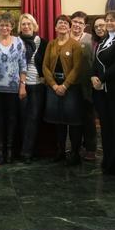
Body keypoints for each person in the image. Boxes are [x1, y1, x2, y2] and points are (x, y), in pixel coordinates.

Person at [0, 13, 27, 164]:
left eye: (7, 25)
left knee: (12, 120)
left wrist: (22, 85)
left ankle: (9, 151)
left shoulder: (19, 42)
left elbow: (23, 65)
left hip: (14, 89)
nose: (4, 28)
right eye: (1, 25)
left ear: (12, 26)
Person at [91, 10, 115, 176]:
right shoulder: (103, 40)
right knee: (106, 128)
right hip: (102, 92)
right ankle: (107, 162)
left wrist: (101, 79)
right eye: (107, 20)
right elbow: (96, 62)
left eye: (113, 20)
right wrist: (93, 76)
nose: (109, 23)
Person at [43, 15, 84, 166]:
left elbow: (77, 68)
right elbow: (45, 66)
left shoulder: (75, 45)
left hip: (71, 87)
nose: (63, 25)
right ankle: (60, 151)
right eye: (60, 23)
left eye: (66, 23)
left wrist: (65, 85)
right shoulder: (51, 44)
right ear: (55, 27)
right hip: (54, 86)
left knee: (73, 121)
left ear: (70, 27)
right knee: (58, 121)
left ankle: (75, 153)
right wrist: (54, 85)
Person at [17, 13, 48, 164]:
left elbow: (47, 63)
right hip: (20, 85)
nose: (26, 26)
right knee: (22, 118)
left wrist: (45, 77)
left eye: (29, 23)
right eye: (23, 24)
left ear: (34, 26)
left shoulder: (43, 42)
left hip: (37, 85)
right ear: (20, 27)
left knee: (34, 119)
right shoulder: (15, 42)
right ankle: (23, 151)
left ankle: (28, 152)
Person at [70, 11, 96, 161]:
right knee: (74, 118)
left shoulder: (91, 39)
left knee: (88, 117)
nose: (77, 25)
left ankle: (90, 148)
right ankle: (75, 147)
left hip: (87, 85)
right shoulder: (65, 38)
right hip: (70, 85)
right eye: (75, 21)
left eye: (80, 23)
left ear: (85, 25)